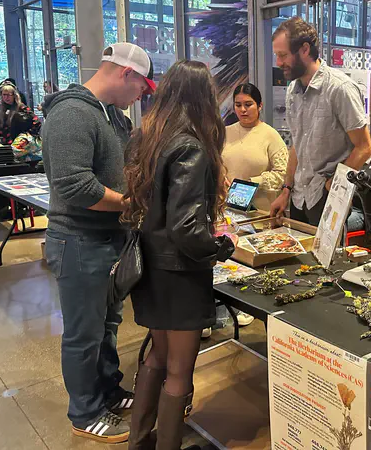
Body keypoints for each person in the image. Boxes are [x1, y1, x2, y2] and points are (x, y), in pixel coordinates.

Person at [42, 42, 156, 443]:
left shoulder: (112, 117)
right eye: (142, 86)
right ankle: (85, 411)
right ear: (126, 73)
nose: (141, 95)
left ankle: (108, 390)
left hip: (107, 240)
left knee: (106, 326)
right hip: (78, 241)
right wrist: (129, 203)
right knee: (83, 333)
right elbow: (74, 185)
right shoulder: (72, 114)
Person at [123, 60, 235, 450]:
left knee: (158, 355)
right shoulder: (191, 146)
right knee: (178, 369)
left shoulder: (148, 138)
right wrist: (220, 246)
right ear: (203, 97)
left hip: (149, 268)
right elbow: (186, 227)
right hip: (179, 275)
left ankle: (140, 442)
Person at [269, 17, 371, 226]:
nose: (278, 63)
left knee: (326, 249)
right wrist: (286, 190)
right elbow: (297, 145)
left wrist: (333, 186)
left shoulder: (339, 88)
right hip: (299, 198)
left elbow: (364, 148)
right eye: (277, 56)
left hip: (327, 197)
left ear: (305, 49)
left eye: (283, 55)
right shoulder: (293, 91)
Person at [216, 82, 288, 330]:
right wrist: (221, 176)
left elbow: (282, 173)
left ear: (260, 106)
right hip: (228, 210)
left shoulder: (270, 135)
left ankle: (251, 308)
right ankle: (226, 310)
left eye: (248, 104)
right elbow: (217, 162)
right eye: (238, 105)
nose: (243, 110)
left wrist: (252, 182)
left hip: (259, 214)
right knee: (228, 261)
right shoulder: (225, 133)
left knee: (252, 263)